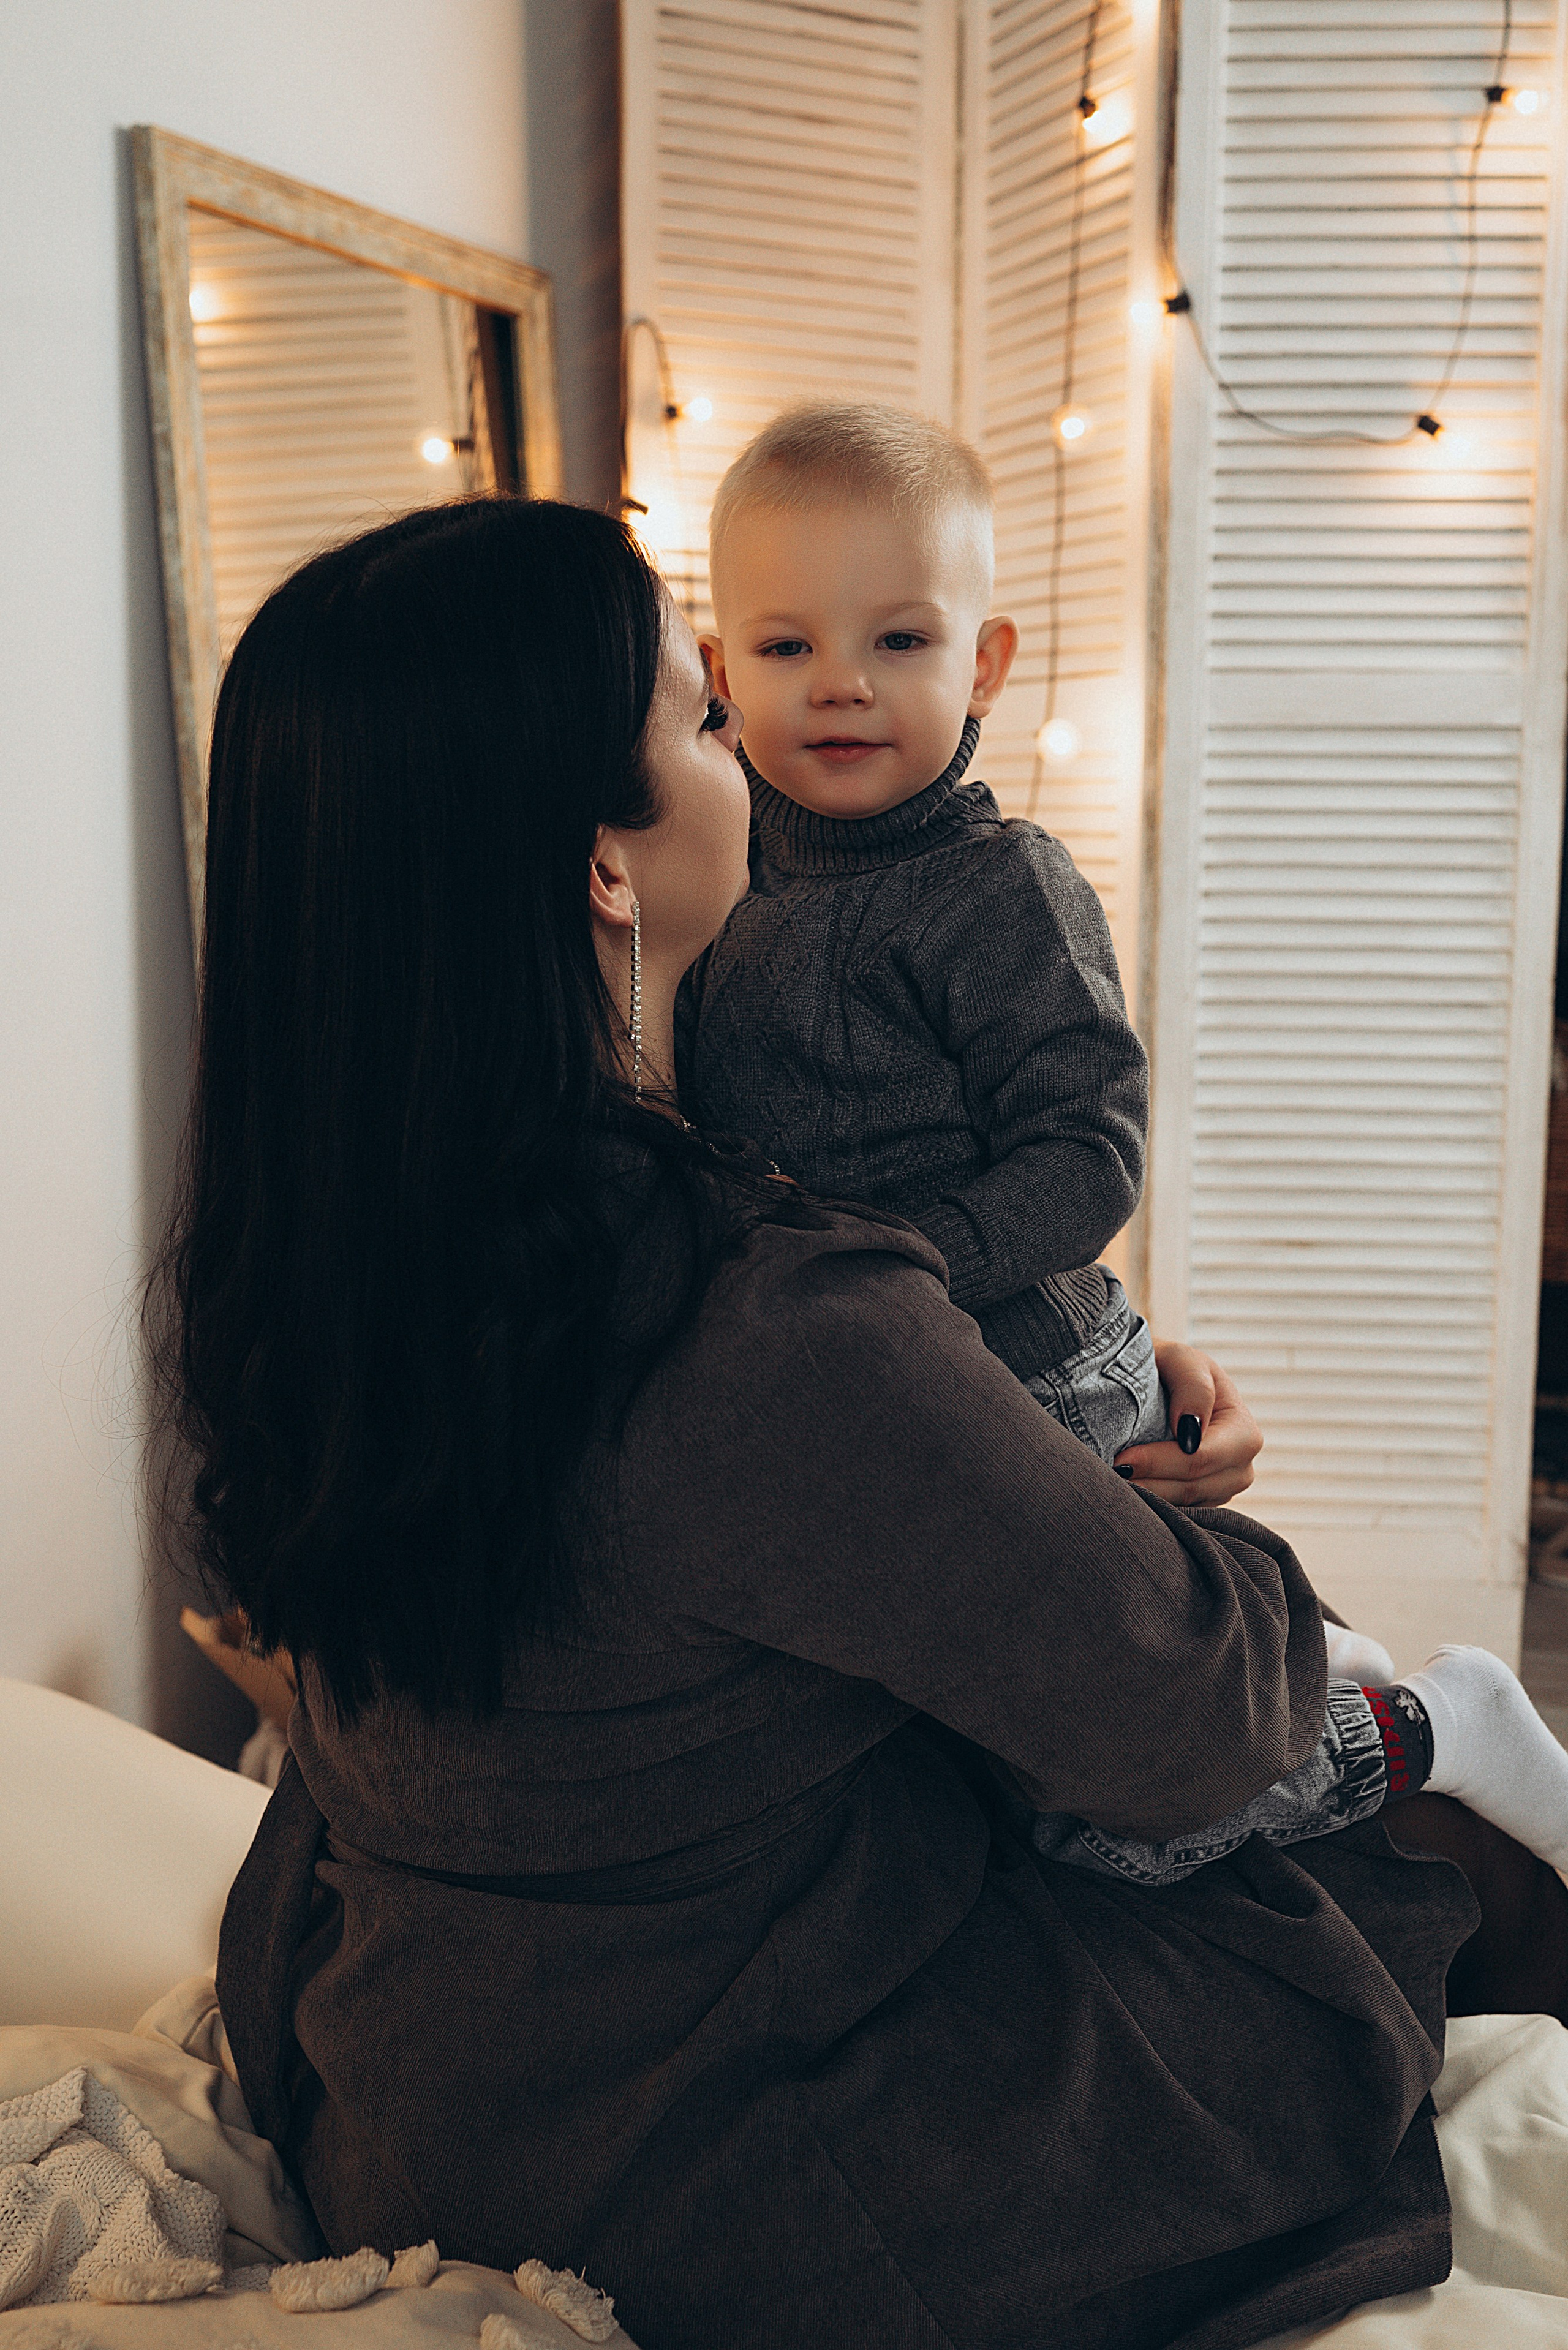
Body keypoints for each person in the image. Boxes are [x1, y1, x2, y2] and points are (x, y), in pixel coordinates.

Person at [153, 494, 1568, 2350]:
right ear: (602, 866)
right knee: (1368, 1896)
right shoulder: (750, 1316)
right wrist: (1165, 1505)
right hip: (713, 2164)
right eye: (700, 714)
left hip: (403, 2083)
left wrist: (998, 1401)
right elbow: (1192, 1718)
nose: (751, 740)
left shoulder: (320, 1261)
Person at [682, 399, 1568, 1892]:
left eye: (897, 641)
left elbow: (1087, 1148)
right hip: (870, 1383)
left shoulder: (997, 884)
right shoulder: (723, 897)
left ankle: (1423, 1721)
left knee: (1100, 1818)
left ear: (989, 663)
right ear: (720, 674)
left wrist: (900, 1268)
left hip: (1028, 1362)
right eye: (784, 649)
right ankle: (1303, 1658)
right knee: (961, 1771)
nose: (838, 684)